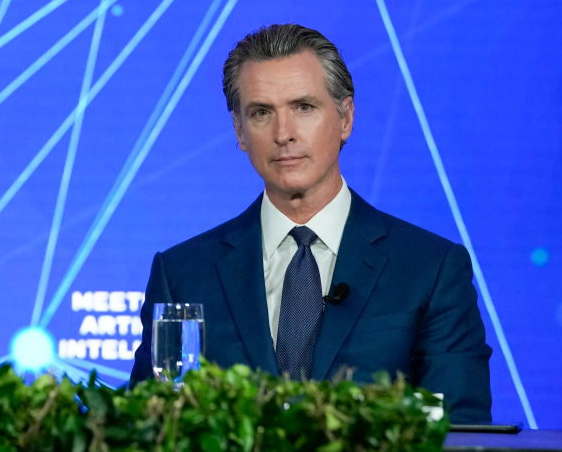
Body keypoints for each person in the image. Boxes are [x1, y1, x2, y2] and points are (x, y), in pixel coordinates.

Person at [129, 24, 492, 423]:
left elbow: (459, 429)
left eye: (303, 107)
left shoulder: (431, 269)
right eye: (262, 112)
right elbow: (151, 427)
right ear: (240, 131)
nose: (284, 134)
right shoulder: (181, 274)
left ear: (345, 118)